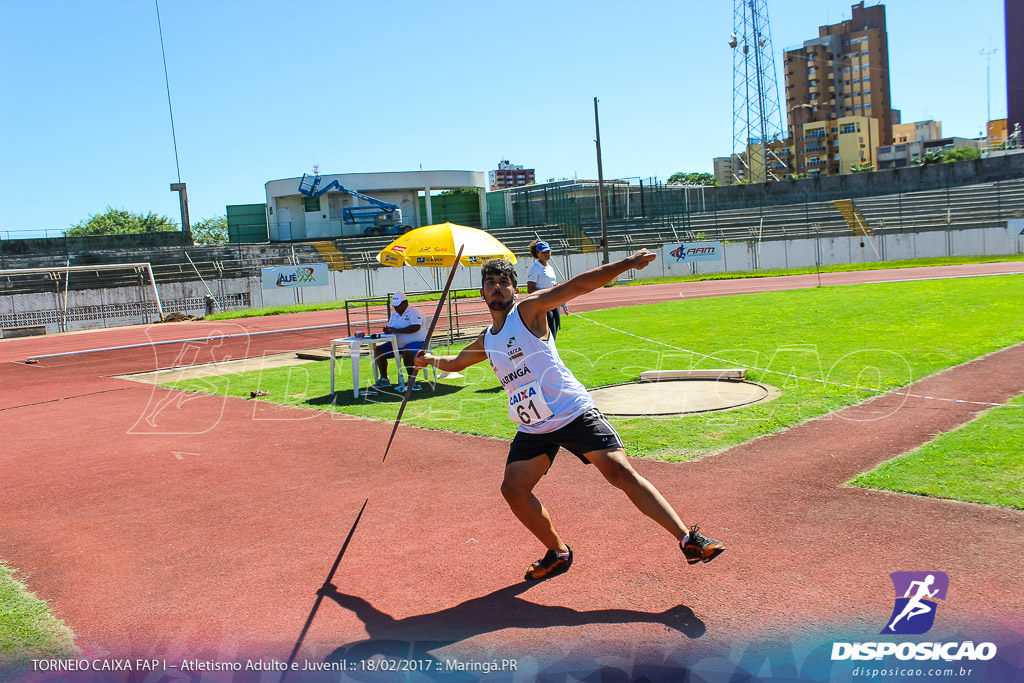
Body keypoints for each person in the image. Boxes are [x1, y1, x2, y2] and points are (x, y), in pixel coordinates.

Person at [415, 250, 725, 580]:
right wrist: (430, 360)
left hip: (572, 412)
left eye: (503, 282)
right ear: (481, 293)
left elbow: (577, 286)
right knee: (513, 490)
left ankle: (688, 539)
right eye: (490, 283)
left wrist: (625, 264)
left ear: (514, 290)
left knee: (619, 472)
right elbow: (456, 363)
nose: (496, 288)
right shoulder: (487, 340)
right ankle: (558, 552)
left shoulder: (529, 311)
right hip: (534, 425)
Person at [373, 291, 426, 391]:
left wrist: (397, 330)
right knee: (378, 351)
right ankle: (384, 379)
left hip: (417, 343)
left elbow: (415, 327)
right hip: (396, 344)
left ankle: (411, 380)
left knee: (408, 352)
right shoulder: (394, 315)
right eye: (394, 306)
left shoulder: (415, 312)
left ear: (405, 303)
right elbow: (391, 328)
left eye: (398, 306)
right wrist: (387, 331)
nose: (396, 308)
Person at [526, 239, 565, 339]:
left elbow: (549, 283)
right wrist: (548, 293)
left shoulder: (550, 268)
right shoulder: (535, 268)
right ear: (538, 253)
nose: (547, 254)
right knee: (547, 334)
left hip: (553, 303)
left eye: (548, 251)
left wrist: (556, 286)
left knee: (554, 332)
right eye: (544, 252)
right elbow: (530, 289)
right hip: (543, 304)